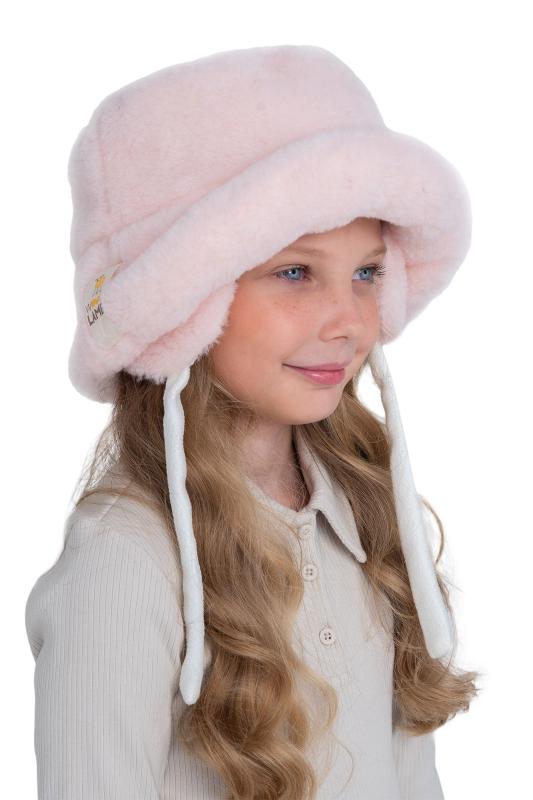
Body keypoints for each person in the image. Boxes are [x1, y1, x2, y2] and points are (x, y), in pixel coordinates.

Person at [24, 44, 481, 799]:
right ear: (185, 304)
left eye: (367, 272)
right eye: (294, 272)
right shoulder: (127, 561)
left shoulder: (364, 509)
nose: (348, 319)